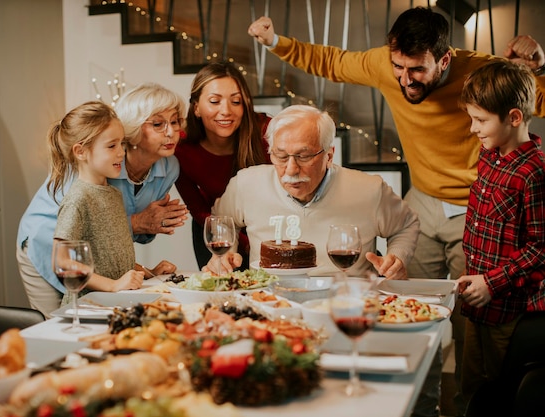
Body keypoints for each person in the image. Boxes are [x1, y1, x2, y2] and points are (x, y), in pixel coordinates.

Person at [248, 7, 545, 416]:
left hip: (479, 207)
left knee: (469, 328)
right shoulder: (387, 66)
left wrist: (536, 72)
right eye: (398, 67)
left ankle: (462, 407)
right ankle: (416, 407)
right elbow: (331, 61)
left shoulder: (483, 73)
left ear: (444, 59)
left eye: (417, 69)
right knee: (407, 308)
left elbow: (528, 103)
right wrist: (275, 42)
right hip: (422, 198)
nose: (404, 79)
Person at [17, 83, 188, 318]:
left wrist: (144, 271)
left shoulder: (165, 168)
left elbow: (113, 240)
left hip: (91, 263)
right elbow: (72, 247)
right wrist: (137, 222)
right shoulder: (96, 170)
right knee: (59, 325)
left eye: (176, 121)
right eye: (158, 124)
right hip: (47, 244)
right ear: (134, 129)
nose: (171, 132)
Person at [204, 104, 420, 281]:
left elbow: (406, 225)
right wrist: (224, 254)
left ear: (328, 155)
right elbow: (223, 221)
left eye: (304, 156)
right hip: (270, 299)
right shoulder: (247, 183)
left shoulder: (369, 190)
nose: (291, 169)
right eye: (280, 156)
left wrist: (397, 257)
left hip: (345, 302)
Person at [456, 60, 545, 406]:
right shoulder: (488, 154)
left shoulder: (534, 173)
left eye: (480, 120)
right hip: (477, 304)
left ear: (514, 117)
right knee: (473, 390)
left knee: (501, 397)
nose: (473, 128)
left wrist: (492, 284)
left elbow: (540, 248)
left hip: (510, 310)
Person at [174, 61, 270, 271]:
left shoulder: (266, 133)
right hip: (213, 227)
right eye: (215, 101)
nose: (226, 111)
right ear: (197, 107)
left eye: (235, 101)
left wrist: (252, 240)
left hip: (265, 229)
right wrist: (237, 241)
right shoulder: (181, 148)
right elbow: (198, 210)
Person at [50, 101, 144, 300]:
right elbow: (62, 261)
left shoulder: (113, 194)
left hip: (114, 301)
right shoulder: (78, 198)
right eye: (112, 146)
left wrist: (149, 271)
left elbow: (111, 259)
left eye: (122, 144)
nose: (121, 152)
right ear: (81, 151)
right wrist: (113, 286)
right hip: (89, 305)